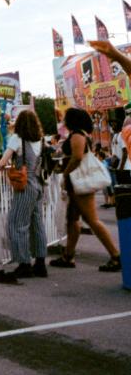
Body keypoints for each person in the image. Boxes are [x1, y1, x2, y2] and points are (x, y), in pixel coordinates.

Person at [50, 107, 121, 272]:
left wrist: (66, 173)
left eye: (66, 118)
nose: (64, 121)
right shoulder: (80, 134)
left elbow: (77, 157)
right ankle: (68, 255)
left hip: (79, 183)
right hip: (76, 184)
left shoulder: (77, 135)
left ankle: (115, 256)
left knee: (92, 220)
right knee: (73, 220)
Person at [0, 110, 48, 279]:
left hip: (25, 186)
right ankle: (40, 263)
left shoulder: (17, 139)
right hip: (39, 185)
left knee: (16, 223)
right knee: (37, 223)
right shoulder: (41, 140)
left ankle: (23, 263)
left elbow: (3, 161)